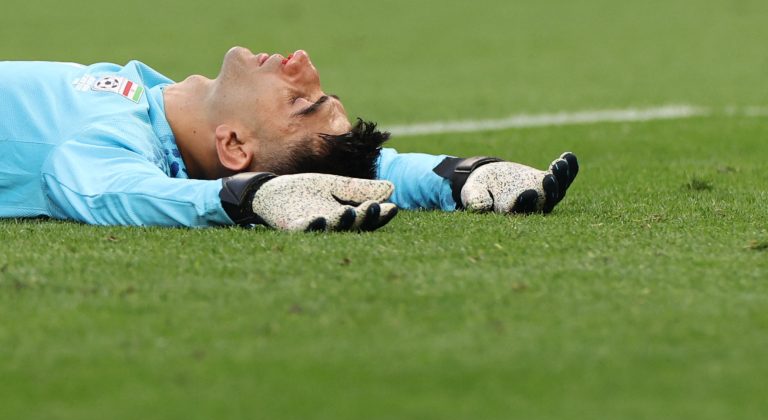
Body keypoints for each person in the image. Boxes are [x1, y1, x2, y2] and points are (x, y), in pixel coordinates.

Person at [0, 47, 578, 232]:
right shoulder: (149, 109)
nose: (300, 62)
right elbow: (363, 171)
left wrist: (246, 197)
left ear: (233, 148)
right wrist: (455, 175)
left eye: (297, 100)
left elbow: (106, 190)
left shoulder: (106, 141)